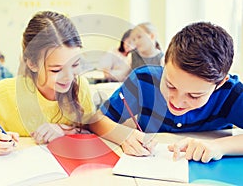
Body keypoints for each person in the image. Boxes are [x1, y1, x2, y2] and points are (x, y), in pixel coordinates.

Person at [0, 11, 95, 155]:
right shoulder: (5, 92)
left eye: (75, 65)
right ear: (32, 64)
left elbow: (92, 131)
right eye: (56, 70)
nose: (69, 77)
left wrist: (64, 131)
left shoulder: (80, 86)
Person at [88, 22, 243, 163]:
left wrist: (219, 147)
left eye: (194, 95)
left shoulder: (231, 92)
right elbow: (96, 120)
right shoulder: (143, 81)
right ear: (164, 62)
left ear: (220, 83)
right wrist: (123, 135)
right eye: (170, 85)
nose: (176, 101)